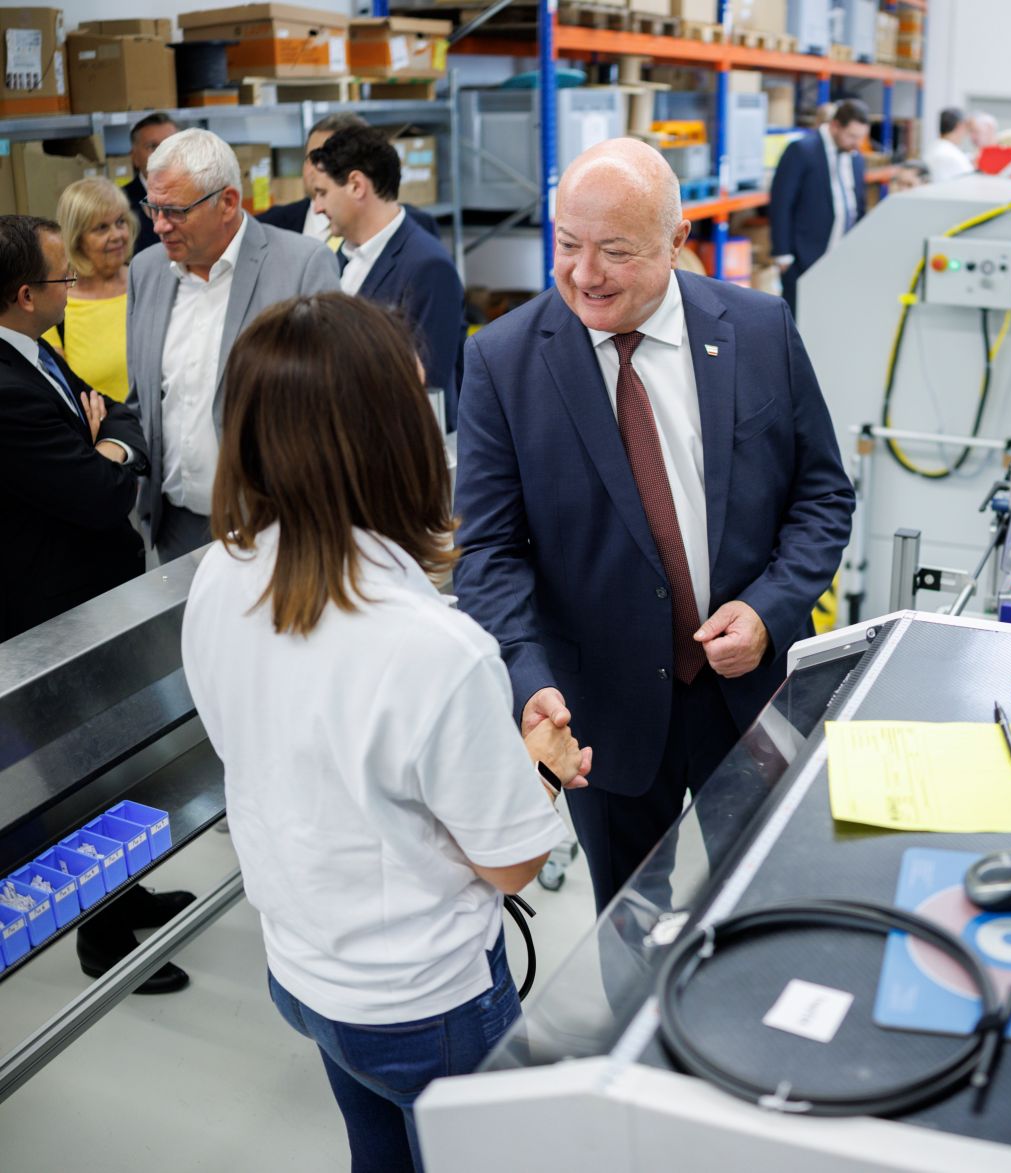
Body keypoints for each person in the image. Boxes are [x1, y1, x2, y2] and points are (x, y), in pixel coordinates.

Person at [181, 292, 585, 1173]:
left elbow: (252, 742)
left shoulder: (221, 572)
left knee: (379, 1152)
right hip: (424, 1005)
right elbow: (511, 863)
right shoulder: (437, 650)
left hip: (304, 969)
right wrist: (540, 768)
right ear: (384, 438)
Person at [452, 139, 854, 910]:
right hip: (597, 708)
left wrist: (769, 612)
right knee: (629, 918)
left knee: (766, 894)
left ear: (678, 243)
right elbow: (490, 554)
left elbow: (822, 497)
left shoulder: (760, 329)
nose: (584, 273)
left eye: (615, 251)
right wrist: (528, 679)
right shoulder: (503, 363)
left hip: (749, 693)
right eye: (567, 245)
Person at [0, 214, 194, 994]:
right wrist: (109, 452)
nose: (72, 288)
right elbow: (99, 488)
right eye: (60, 279)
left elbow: (116, 410)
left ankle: (129, 889)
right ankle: (101, 935)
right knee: (78, 769)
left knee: (119, 759)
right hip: (52, 608)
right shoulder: (5, 389)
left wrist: (107, 439)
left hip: (91, 595)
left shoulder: (33, 348)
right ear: (23, 294)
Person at [126, 127, 341, 564]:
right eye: (152, 207)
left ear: (227, 202)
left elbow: (329, 400)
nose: (159, 226)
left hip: (274, 524)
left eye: (175, 211)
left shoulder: (302, 266)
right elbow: (143, 398)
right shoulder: (146, 270)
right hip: (175, 528)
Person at [308, 125, 465, 429]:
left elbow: (426, 382)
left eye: (322, 193)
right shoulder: (339, 256)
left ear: (356, 185)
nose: (317, 207)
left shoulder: (428, 267)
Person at [258, 111, 441, 245]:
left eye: (329, 161)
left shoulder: (417, 227)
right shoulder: (270, 226)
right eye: (311, 159)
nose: (316, 170)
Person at [769, 99, 870, 313]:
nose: (857, 143)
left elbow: (858, 203)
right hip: (803, 255)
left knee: (830, 314)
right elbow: (781, 202)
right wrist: (782, 252)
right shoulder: (802, 150)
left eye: (861, 137)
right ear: (835, 126)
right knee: (799, 317)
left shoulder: (855, 158)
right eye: (852, 136)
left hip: (841, 255)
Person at [49, 177, 134, 402]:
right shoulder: (56, 304)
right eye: (101, 228)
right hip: (103, 435)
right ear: (76, 239)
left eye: (120, 222)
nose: (117, 235)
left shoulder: (147, 282)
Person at [122, 112, 178, 256]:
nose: (163, 154)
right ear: (134, 157)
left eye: (170, 145)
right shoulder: (119, 205)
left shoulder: (200, 196)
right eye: (153, 147)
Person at [924, 106, 975, 183]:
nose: (966, 134)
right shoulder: (952, 156)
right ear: (960, 126)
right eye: (967, 129)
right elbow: (969, 184)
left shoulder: (932, 148)